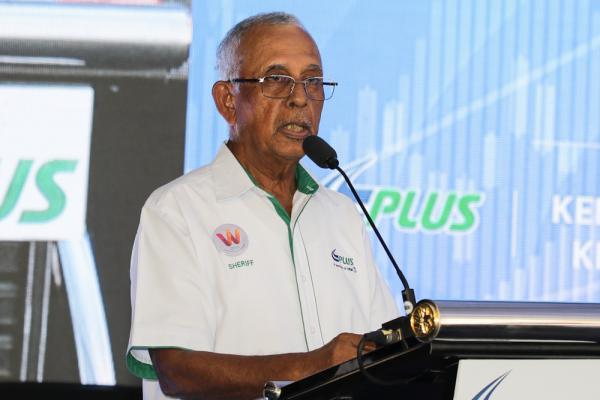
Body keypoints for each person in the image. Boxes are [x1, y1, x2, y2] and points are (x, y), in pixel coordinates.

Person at [127, 12, 399, 400]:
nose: (300, 98)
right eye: (276, 80)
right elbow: (177, 371)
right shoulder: (177, 211)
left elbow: (386, 356)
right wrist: (315, 365)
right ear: (228, 101)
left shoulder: (341, 216)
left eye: (313, 81)